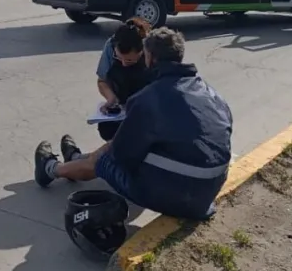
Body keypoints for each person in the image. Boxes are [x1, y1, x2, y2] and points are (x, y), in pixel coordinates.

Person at [34, 27, 233, 221]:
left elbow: (120, 156)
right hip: (208, 193)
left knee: (103, 160)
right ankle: (75, 159)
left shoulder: (150, 98)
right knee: (133, 145)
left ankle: (51, 169)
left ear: (150, 58)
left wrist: (100, 157)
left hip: (180, 198)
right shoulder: (209, 92)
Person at [94, 17, 152, 141]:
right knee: (106, 129)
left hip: (147, 107)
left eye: (130, 60)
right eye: (119, 58)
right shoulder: (110, 45)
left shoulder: (152, 48)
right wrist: (111, 99)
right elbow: (102, 80)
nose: (124, 64)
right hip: (122, 106)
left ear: (143, 51)